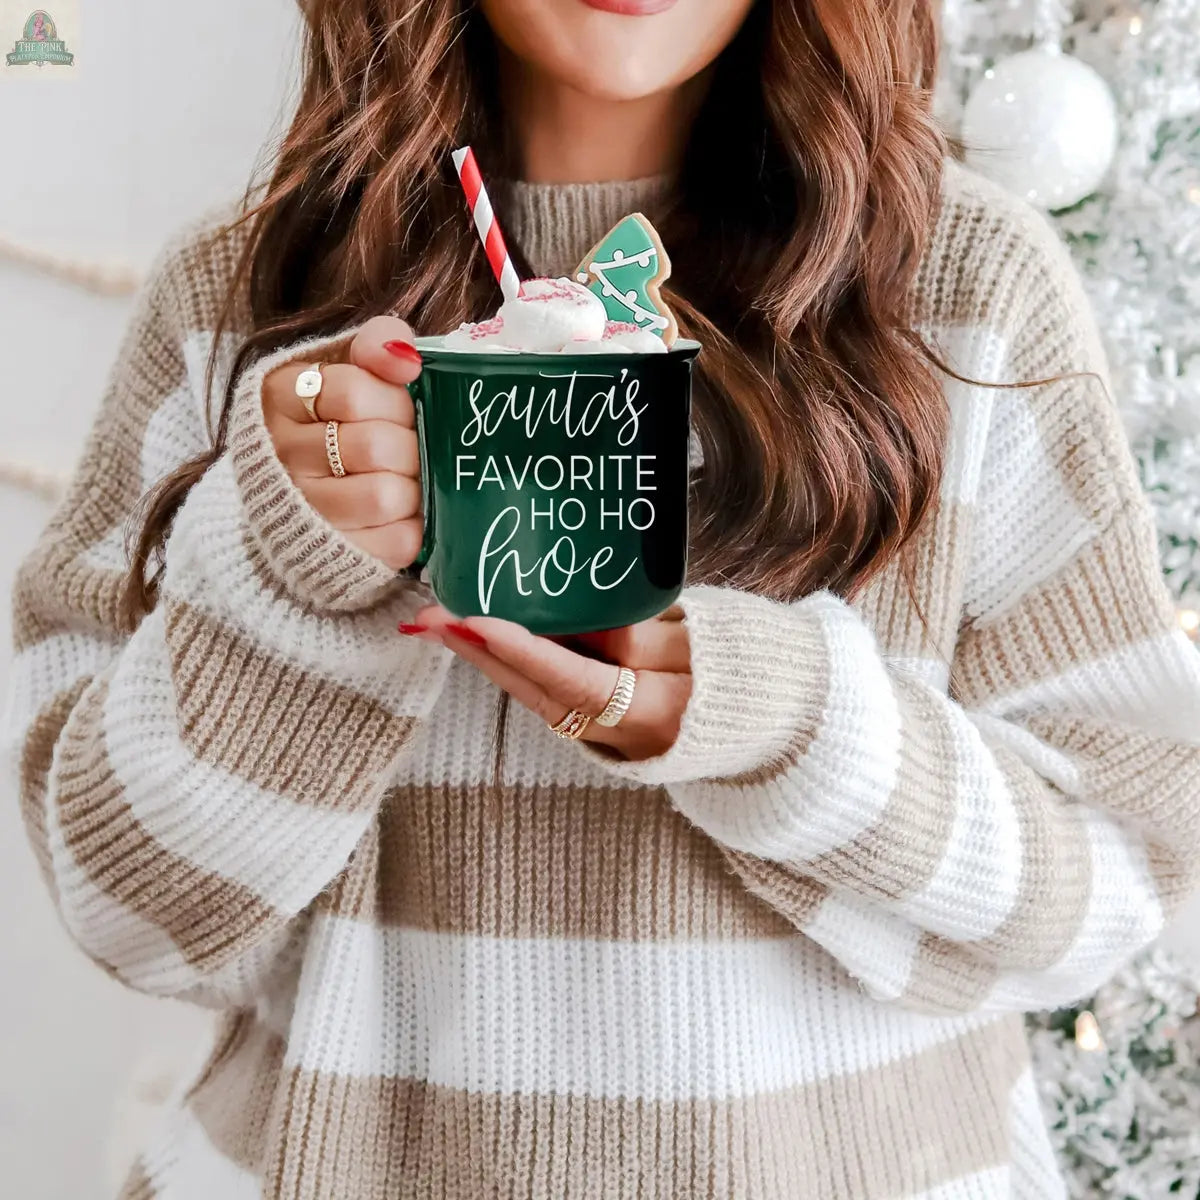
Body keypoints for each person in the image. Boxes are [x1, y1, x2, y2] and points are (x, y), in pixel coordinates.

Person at [9, 0, 1200, 1196]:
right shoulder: (240, 303)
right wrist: (280, 573)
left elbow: (1123, 874)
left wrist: (787, 727)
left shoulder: (960, 294)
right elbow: (131, 917)